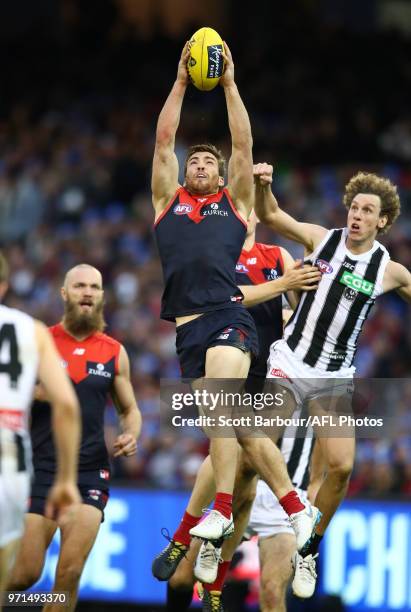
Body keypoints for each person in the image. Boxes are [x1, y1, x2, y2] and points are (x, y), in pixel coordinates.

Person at [152, 41, 320, 557]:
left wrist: (228, 84)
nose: (199, 162)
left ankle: (221, 511)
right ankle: (295, 507)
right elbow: (163, 142)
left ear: (223, 177)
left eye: (208, 160)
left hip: (229, 316)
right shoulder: (167, 203)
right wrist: (180, 81)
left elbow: (243, 146)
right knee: (227, 425)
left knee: (223, 403)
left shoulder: (235, 204)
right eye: (194, 159)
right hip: (186, 327)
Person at [254, 164, 411, 594]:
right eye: (354, 207)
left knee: (341, 468)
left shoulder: (388, 270)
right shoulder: (322, 239)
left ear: (383, 221)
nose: (356, 215)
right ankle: (240, 513)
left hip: (332, 377)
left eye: (367, 211)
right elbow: (272, 216)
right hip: (292, 359)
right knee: (259, 440)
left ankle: (308, 550)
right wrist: (263, 186)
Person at [158, 211, 321, 611]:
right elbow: (221, 298)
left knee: (245, 471)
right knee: (234, 447)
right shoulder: (214, 256)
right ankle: (201, 547)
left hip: (269, 374)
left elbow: (303, 314)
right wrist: (282, 286)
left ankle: (202, 551)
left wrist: (300, 292)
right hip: (227, 362)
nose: (242, 217)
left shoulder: (276, 255)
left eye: (247, 210)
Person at [8, 264, 142, 612]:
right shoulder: (39, 341)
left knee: (68, 574)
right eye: (79, 285)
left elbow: (129, 409)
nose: (87, 291)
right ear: (64, 293)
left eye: (94, 286)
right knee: (24, 575)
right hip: (40, 470)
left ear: (101, 296)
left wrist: (131, 434)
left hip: (89, 473)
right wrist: (33, 393)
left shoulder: (114, 351)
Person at [0, 252, 81, 611]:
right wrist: (65, 478)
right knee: (6, 579)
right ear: (4, 287)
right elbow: (66, 404)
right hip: (13, 461)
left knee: (26, 577)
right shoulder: (31, 330)